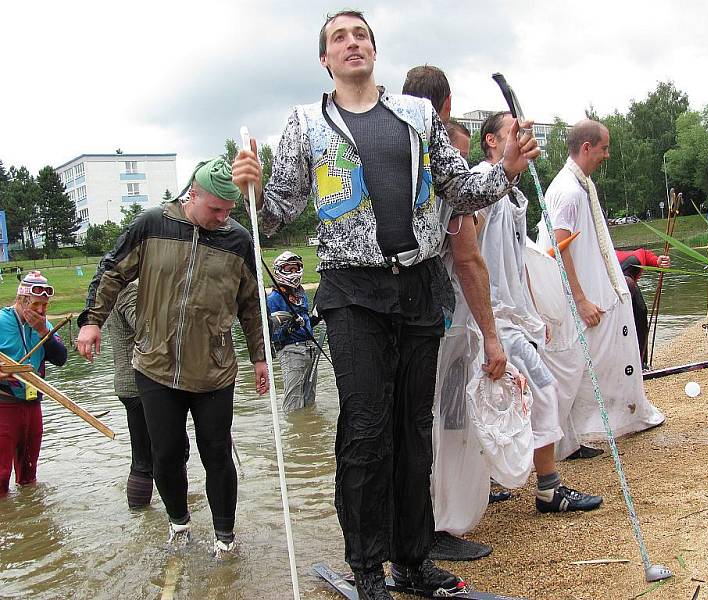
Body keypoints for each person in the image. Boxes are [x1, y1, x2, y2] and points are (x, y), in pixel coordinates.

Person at [232, 11, 540, 599]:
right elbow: (271, 219)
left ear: (375, 50)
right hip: (352, 294)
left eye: (361, 35)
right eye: (339, 38)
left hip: (419, 288)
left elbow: (459, 191)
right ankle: (367, 569)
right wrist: (250, 185)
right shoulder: (304, 125)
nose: (352, 44)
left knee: (412, 429)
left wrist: (506, 170)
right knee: (366, 431)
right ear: (325, 59)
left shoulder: (418, 115)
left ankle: (412, 559)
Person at [76, 158, 268, 556]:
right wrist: (91, 321)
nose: (223, 218)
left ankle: (225, 539)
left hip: (214, 369)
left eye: (229, 210)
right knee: (165, 454)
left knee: (216, 454)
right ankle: (179, 525)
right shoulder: (151, 225)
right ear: (191, 195)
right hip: (156, 365)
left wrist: (260, 358)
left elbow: (252, 305)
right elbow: (112, 270)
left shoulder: (237, 240)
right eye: (216, 209)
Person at [403, 65, 509, 560]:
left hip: (397, 316)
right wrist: (492, 335)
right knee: (445, 423)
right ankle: (437, 523)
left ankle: (406, 524)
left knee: (407, 423)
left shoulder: (388, 152)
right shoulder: (441, 164)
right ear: (444, 105)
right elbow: (467, 259)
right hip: (446, 324)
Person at [473, 111, 602, 510]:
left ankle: (496, 483)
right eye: (514, 130)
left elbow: (520, 257)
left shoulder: (514, 192)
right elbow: (469, 246)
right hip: (491, 313)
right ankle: (546, 487)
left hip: (514, 314)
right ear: (492, 142)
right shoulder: (480, 181)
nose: (524, 134)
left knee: (507, 396)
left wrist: (534, 313)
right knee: (542, 390)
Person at [536, 120, 666, 454]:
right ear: (586, 148)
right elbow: (558, 247)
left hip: (593, 294)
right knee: (571, 369)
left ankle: (610, 420)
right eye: (605, 148)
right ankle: (567, 442)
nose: (607, 155)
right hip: (573, 300)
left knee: (589, 364)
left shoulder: (582, 187)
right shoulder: (567, 191)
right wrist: (579, 298)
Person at [106, 279, 190, 509]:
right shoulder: (128, 290)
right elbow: (146, 328)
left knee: (167, 451)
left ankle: (167, 509)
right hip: (141, 383)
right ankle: (166, 510)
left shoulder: (121, 289)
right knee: (155, 455)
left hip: (140, 382)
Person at [0, 271, 67, 495]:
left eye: (45, 306)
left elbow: (61, 358)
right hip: (4, 404)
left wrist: (42, 331)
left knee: (29, 473)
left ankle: (30, 516)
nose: (40, 311)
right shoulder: (1, 322)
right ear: (21, 300)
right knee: (0, 475)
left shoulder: (44, 325)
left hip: (32, 403)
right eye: (36, 304)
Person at [267, 251, 321, 412]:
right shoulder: (273, 299)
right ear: (279, 271)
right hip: (291, 351)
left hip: (310, 349)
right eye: (288, 270)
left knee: (309, 397)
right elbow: (272, 334)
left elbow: (306, 326)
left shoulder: (301, 294)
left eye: (295, 269)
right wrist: (291, 327)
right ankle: (294, 429)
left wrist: (315, 318)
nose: (293, 273)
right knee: (293, 399)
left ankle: (308, 430)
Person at [614, 248, 671, 366]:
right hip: (613, 280)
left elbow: (645, 254)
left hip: (627, 279)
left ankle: (641, 363)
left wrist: (658, 262)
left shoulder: (638, 259)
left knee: (640, 311)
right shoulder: (606, 264)